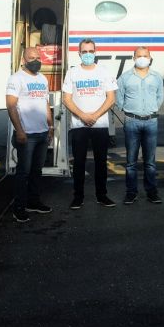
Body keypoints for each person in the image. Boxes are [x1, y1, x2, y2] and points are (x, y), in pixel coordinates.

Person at [62, 39, 118, 209]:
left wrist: (94, 115)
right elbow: (66, 99)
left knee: (101, 163)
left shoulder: (104, 72)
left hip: (99, 125)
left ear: (95, 52)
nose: (88, 54)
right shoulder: (72, 73)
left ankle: (102, 196)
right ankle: (78, 197)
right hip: (79, 125)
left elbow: (111, 98)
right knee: (79, 163)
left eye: (90, 51)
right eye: (84, 52)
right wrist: (83, 116)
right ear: (79, 53)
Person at [6, 47, 54, 223]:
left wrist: (50, 126)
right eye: (31, 58)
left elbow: (45, 103)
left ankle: (33, 202)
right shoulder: (16, 78)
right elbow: (11, 106)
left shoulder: (42, 78)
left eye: (38, 57)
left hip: (42, 133)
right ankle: (19, 207)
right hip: (27, 135)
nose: (36, 60)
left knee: (36, 171)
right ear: (24, 60)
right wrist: (19, 131)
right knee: (23, 172)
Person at [116, 46, 164, 205]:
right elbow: (119, 100)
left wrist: (151, 110)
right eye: (139, 55)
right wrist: (131, 111)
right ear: (133, 57)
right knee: (131, 162)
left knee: (150, 161)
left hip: (151, 121)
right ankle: (131, 192)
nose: (142, 58)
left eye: (145, 55)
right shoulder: (124, 78)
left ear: (150, 58)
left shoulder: (156, 77)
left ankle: (151, 192)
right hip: (132, 121)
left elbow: (159, 97)